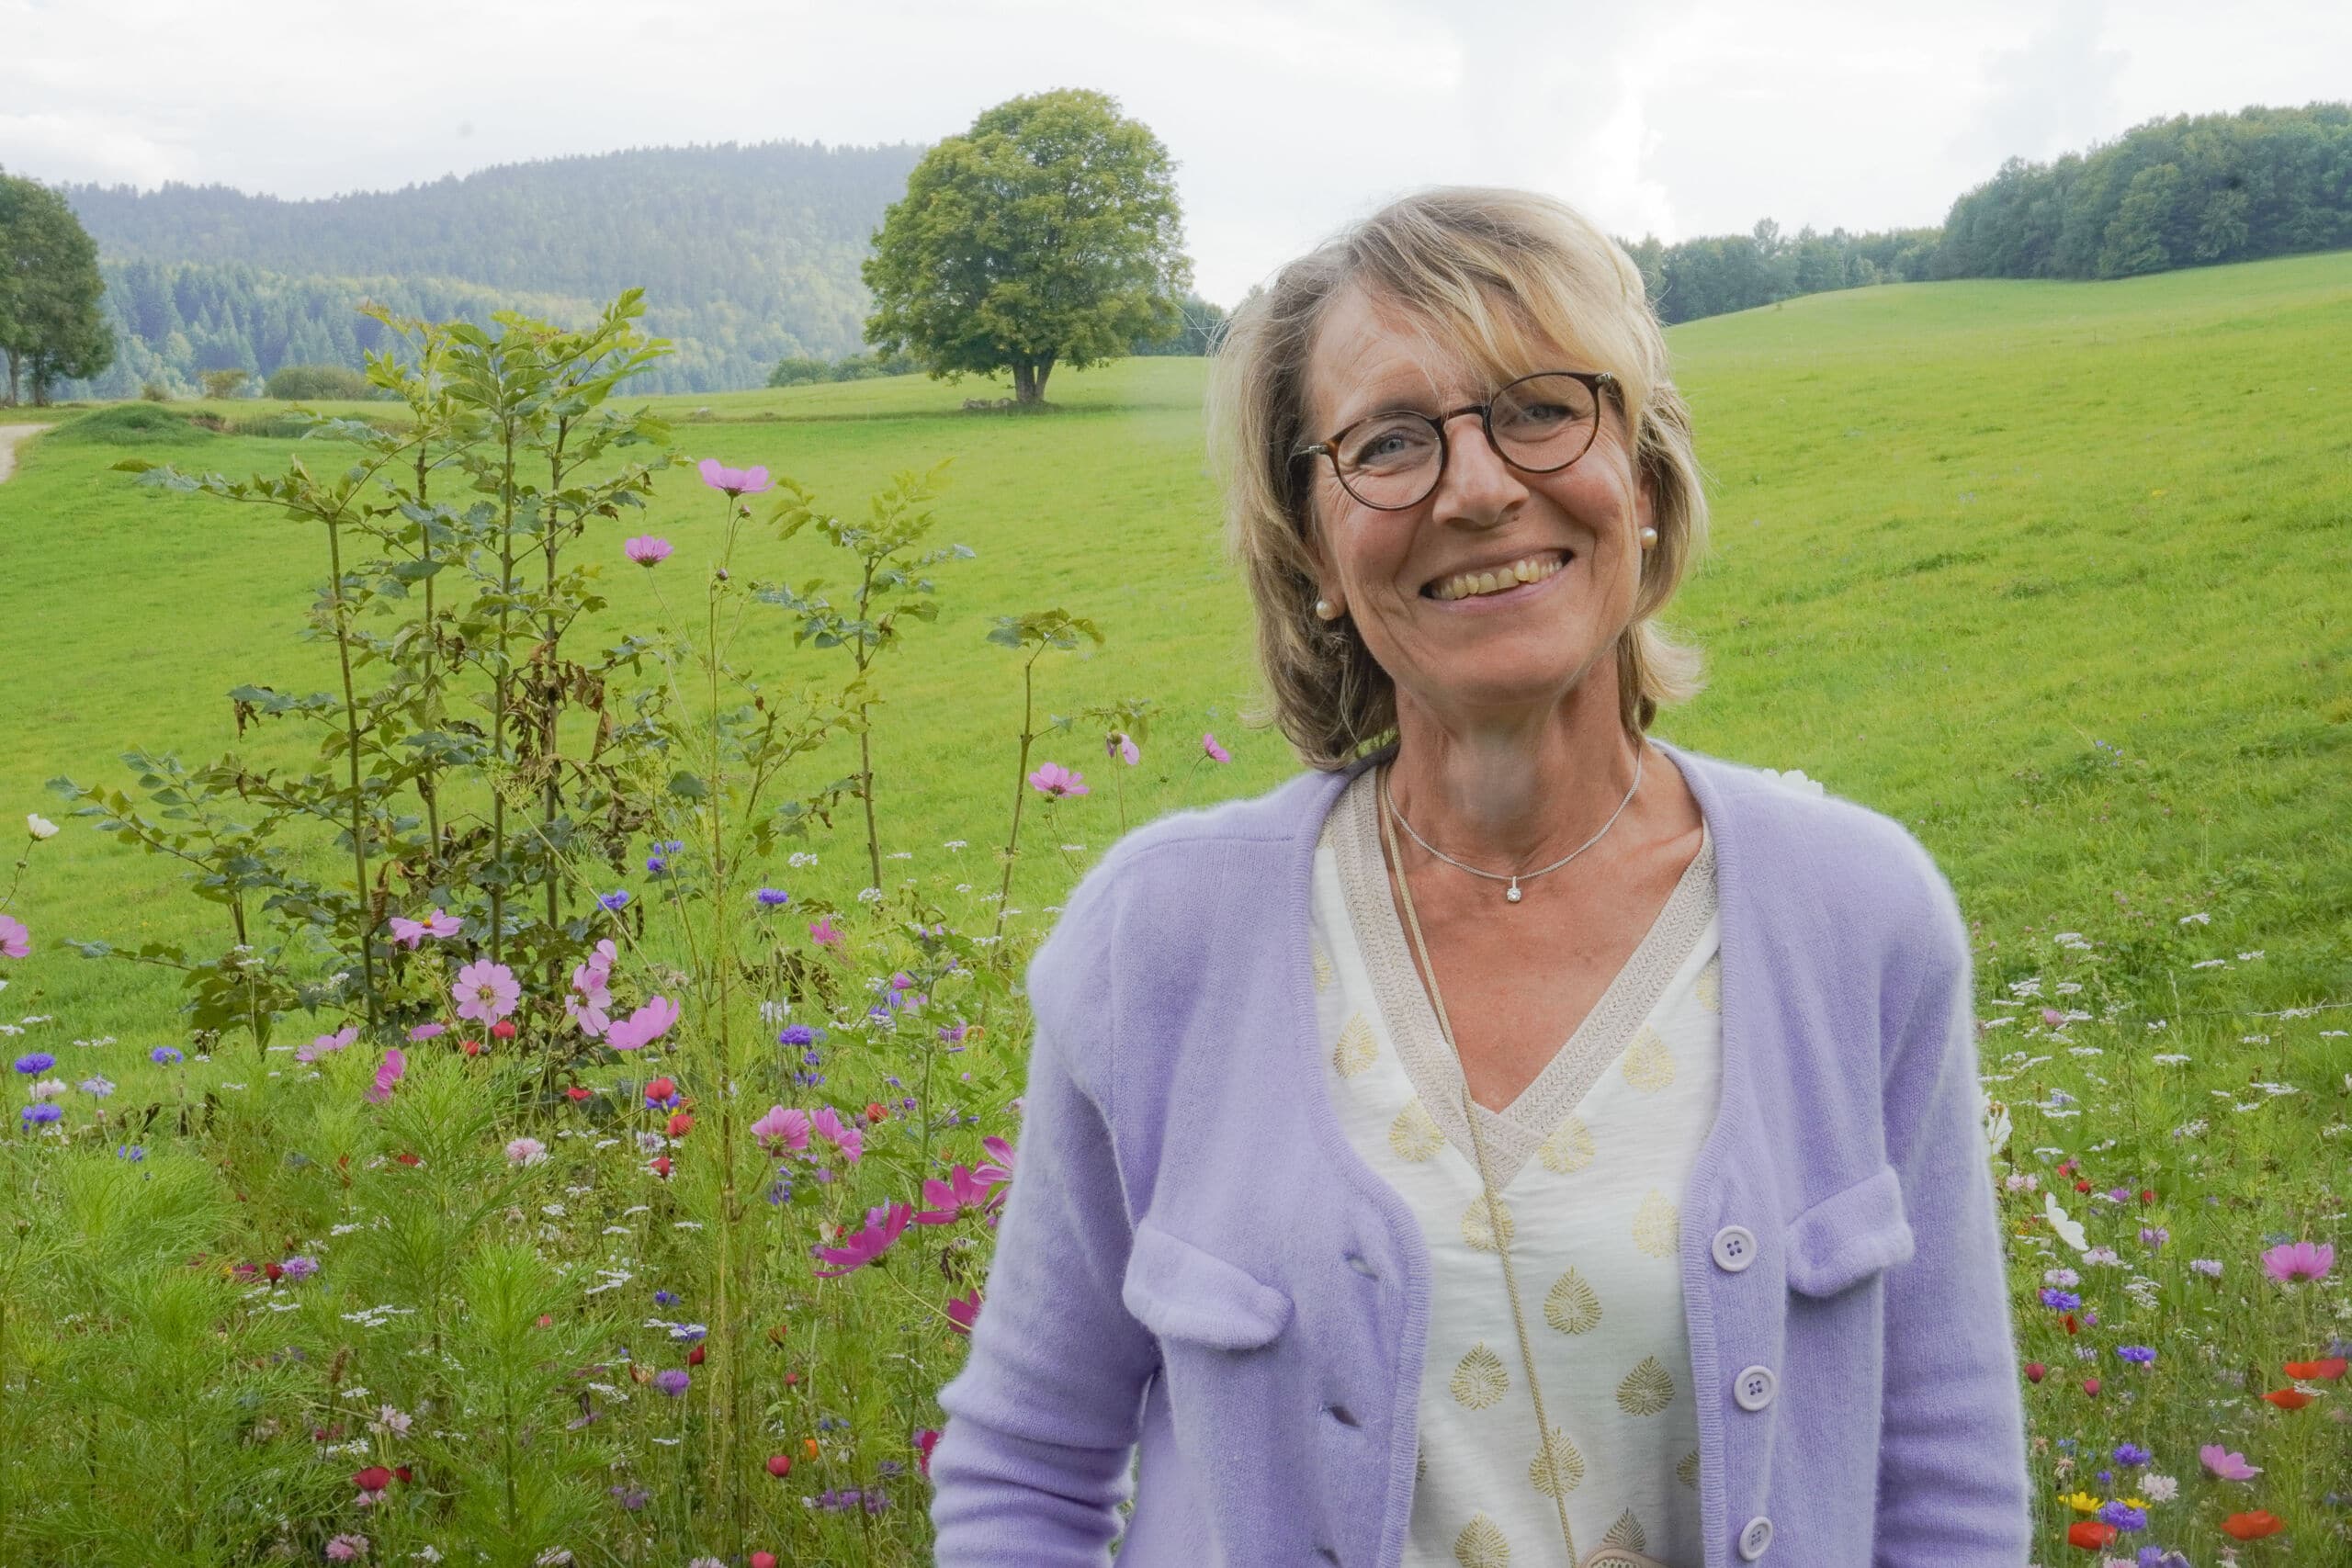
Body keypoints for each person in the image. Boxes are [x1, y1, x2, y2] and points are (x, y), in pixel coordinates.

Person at [928, 186, 2029, 1568]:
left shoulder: (1857, 917)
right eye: (1389, 442)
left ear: (1643, 481)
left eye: (1542, 409)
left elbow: (1945, 1489)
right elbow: (1027, 1468)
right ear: (1315, 548)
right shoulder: (1162, 939)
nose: (1480, 487)